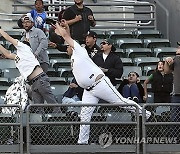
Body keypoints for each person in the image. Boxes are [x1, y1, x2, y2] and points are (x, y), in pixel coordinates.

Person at [54, 20, 151, 144]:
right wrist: (67, 27)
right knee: (85, 116)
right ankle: (82, 143)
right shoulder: (74, 56)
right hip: (89, 91)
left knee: (121, 102)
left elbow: (67, 38)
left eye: (68, 45)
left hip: (100, 84)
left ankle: (147, 114)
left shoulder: (80, 51)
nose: (67, 47)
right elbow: (67, 37)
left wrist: (57, 26)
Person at [0, 29, 59, 112]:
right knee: (38, 108)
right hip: (33, 83)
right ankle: (40, 124)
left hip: (40, 79)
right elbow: (8, 54)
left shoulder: (24, 47)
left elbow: (8, 38)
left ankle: (60, 122)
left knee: (52, 103)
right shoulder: (20, 56)